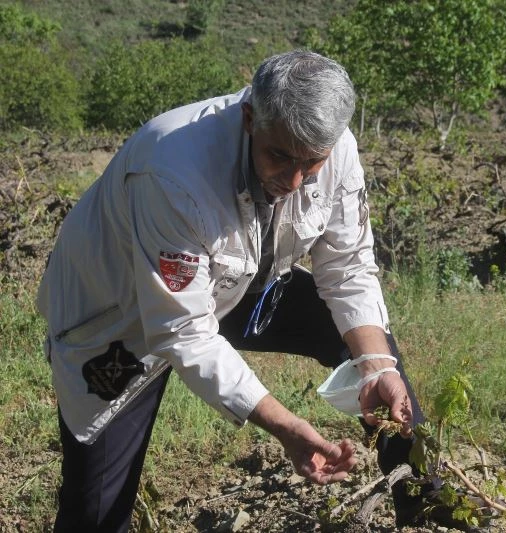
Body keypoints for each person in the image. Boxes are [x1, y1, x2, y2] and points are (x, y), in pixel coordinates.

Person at [37, 50, 475, 532]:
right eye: (279, 156)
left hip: (240, 283)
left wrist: (375, 366)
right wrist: (285, 427)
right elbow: (183, 331)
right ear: (249, 118)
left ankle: (425, 506)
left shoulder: (337, 147)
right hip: (122, 316)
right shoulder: (172, 172)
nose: (292, 181)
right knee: (98, 504)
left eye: (311, 164)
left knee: (372, 349)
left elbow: (348, 267)